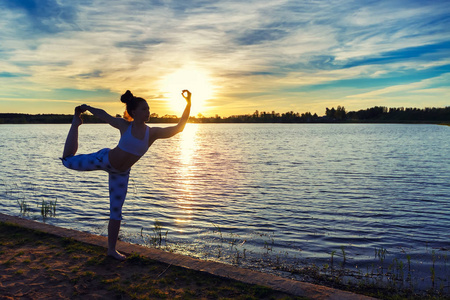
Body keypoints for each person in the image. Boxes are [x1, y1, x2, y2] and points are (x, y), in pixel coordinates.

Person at [61, 89, 191, 260]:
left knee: (116, 212)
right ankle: (75, 123)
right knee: (67, 161)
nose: (148, 111)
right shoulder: (124, 126)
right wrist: (87, 107)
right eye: (144, 109)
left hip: (121, 174)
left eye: (148, 108)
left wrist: (188, 103)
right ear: (134, 112)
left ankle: (111, 250)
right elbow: (104, 115)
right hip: (105, 159)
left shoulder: (152, 133)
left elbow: (179, 128)